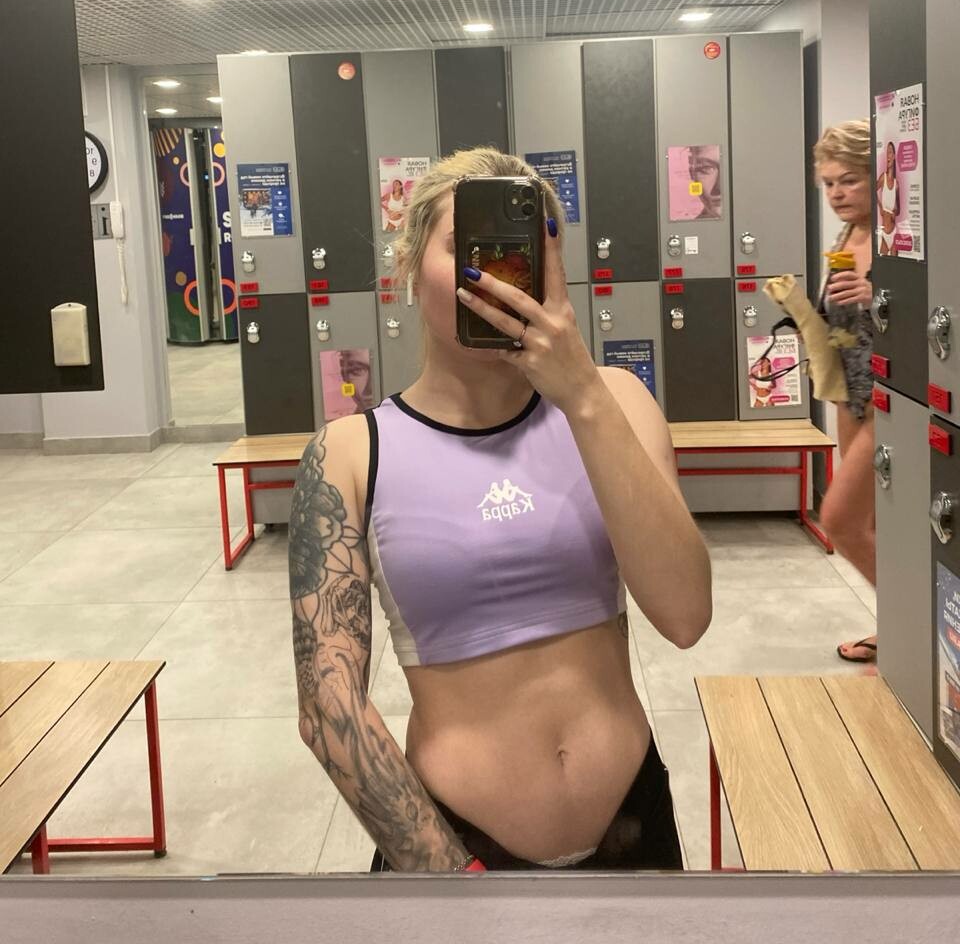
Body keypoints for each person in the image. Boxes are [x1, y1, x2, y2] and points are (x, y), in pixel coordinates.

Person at [289, 147, 712, 873]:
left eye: (522, 251)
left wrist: (581, 394)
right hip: (456, 850)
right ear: (409, 265)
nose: (494, 274)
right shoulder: (352, 453)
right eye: (465, 248)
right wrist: (452, 878)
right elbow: (330, 708)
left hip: (634, 826)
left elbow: (685, 615)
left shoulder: (614, 403)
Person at [813, 120, 877, 664]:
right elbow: (841, 325)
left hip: (889, 398)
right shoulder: (845, 238)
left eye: (849, 180)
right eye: (829, 183)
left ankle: (922, 626)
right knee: (877, 523)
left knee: (839, 519)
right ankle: (899, 627)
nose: (836, 194)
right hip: (849, 396)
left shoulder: (902, 238)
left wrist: (877, 293)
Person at [876, 141, 900, 257]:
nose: (888, 156)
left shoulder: (896, 184)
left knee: (897, 265)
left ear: (894, 156)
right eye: (887, 153)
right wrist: (880, 207)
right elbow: (873, 191)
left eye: (890, 152)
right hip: (884, 232)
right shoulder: (883, 178)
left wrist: (895, 211)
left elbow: (898, 209)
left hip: (894, 232)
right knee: (882, 262)